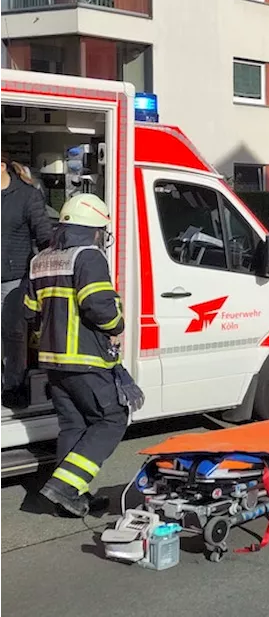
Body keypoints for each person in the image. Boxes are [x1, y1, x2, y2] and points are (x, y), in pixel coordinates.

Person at [25, 194, 125, 516]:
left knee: (74, 425)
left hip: (53, 360)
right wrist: (117, 323)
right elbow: (98, 306)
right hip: (86, 358)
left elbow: (29, 312)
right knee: (112, 418)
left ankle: (69, 500)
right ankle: (66, 486)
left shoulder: (41, 259)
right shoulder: (89, 257)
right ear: (94, 228)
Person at [0, 154, 54, 409]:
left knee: (14, 335)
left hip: (12, 278)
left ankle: (14, 386)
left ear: (1, 166)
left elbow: (43, 235)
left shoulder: (27, 196)